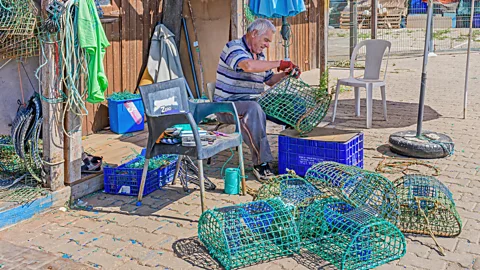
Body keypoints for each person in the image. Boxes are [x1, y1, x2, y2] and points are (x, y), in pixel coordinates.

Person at [214, 18, 301, 182]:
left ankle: (293, 156)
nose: (268, 45)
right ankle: (261, 164)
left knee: (290, 104)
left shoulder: (259, 56)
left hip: (253, 103)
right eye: (266, 40)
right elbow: (248, 66)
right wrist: (279, 62)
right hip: (227, 106)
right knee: (254, 109)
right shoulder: (233, 47)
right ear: (254, 33)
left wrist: (286, 74)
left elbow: (269, 80)